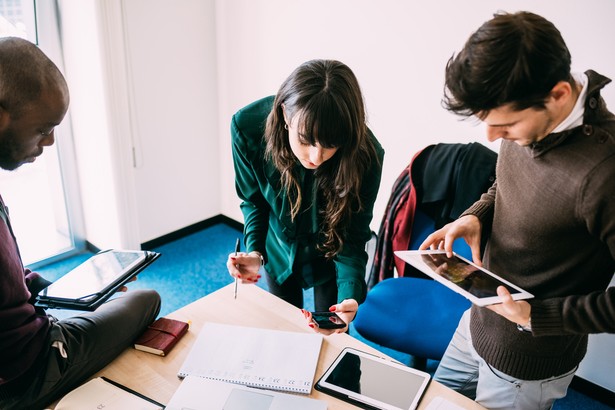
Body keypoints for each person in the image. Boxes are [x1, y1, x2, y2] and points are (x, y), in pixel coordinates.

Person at [419, 11, 615, 410]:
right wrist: (475, 215)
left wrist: (535, 317)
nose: (491, 136)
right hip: (477, 321)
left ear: (559, 94)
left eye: (505, 127)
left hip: (528, 363)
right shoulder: (529, 120)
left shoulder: (604, 173)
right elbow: (504, 184)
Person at [0, 37, 161, 409]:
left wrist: (66, 291)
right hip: (27, 372)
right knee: (146, 299)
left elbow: (13, 281)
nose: (51, 141)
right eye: (43, 129)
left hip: (24, 340)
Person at [227, 59, 384, 334]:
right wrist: (254, 251)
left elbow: (354, 235)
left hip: (332, 253)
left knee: (333, 338)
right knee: (285, 335)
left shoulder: (367, 154)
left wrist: (350, 295)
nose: (316, 157)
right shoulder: (246, 127)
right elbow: (254, 201)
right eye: (305, 140)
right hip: (278, 247)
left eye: (330, 145)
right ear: (286, 114)